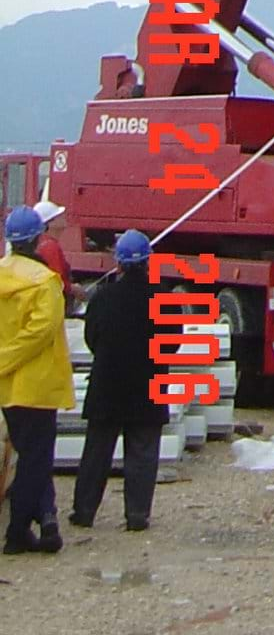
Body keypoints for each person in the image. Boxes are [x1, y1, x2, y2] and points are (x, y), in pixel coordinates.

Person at [69, 232, 164, 537]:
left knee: (97, 451)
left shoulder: (103, 298)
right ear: (148, 262)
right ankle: (137, 514)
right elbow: (171, 343)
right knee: (143, 452)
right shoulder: (161, 299)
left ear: (119, 263)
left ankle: (84, 513)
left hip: (107, 384)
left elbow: (92, 338)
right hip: (148, 384)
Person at [0, 203, 74, 557]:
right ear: (37, 238)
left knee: (24, 456)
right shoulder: (45, 283)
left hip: (8, 388)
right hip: (39, 385)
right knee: (36, 462)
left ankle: (28, 528)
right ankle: (17, 533)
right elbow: (39, 334)